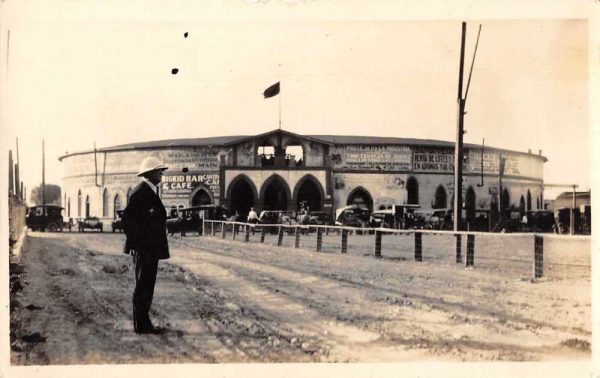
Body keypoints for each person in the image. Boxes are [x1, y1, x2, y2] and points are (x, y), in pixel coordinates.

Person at [121, 156, 169, 334]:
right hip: (144, 249)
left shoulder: (149, 191)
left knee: (147, 286)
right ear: (150, 173)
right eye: (159, 171)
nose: (161, 174)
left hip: (150, 249)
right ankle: (141, 325)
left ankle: (143, 323)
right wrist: (136, 243)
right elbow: (127, 219)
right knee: (143, 286)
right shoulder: (141, 192)